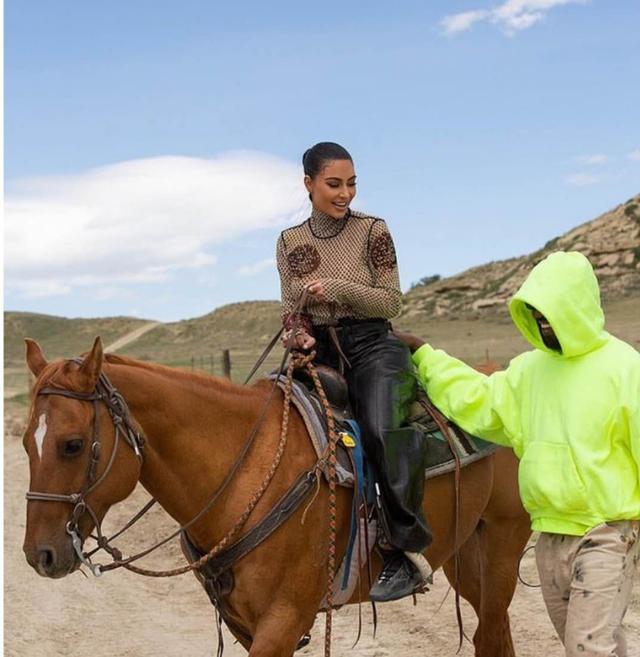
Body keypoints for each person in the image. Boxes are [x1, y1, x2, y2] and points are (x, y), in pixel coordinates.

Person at [396, 251, 640, 656]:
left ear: (577, 310)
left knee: (587, 648)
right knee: (596, 645)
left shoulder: (626, 369)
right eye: (538, 319)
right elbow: (478, 399)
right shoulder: (530, 371)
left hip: (607, 535)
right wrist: (426, 355)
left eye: (553, 318)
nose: (545, 329)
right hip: (551, 538)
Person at [276, 141, 431, 602]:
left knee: (383, 428)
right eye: (334, 184)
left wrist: (339, 288)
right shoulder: (289, 241)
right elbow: (292, 309)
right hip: (319, 352)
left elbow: (391, 300)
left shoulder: (372, 231)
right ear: (309, 184)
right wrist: (297, 334)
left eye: (351, 184)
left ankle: (407, 551)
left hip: (371, 346)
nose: (345, 194)